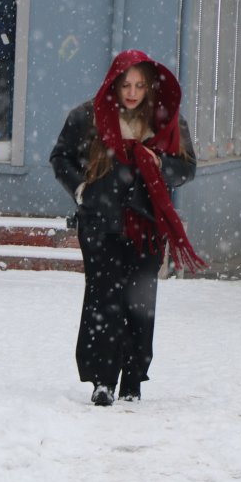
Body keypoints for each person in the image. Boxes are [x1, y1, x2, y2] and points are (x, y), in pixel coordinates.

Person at [50, 50, 204, 407]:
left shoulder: (166, 119)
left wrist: (160, 163)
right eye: (126, 84)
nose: (132, 92)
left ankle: (133, 379)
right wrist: (82, 189)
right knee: (103, 300)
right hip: (100, 224)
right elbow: (61, 158)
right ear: (114, 83)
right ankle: (102, 380)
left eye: (139, 85)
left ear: (149, 86)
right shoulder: (88, 116)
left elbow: (188, 166)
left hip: (148, 225)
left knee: (139, 302)